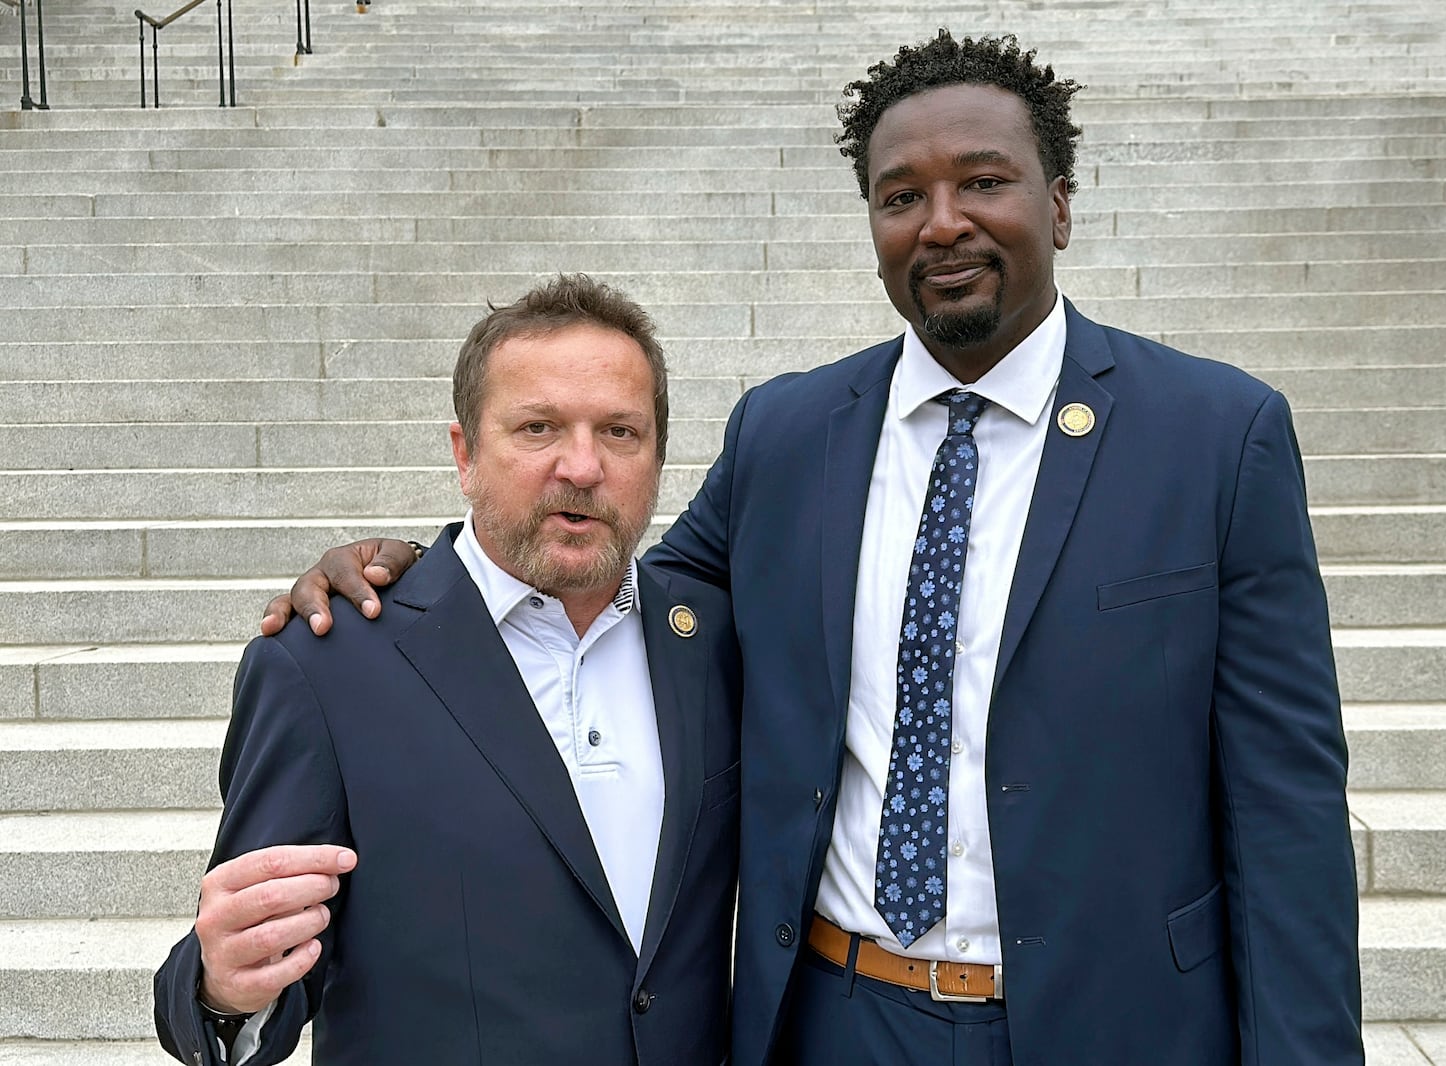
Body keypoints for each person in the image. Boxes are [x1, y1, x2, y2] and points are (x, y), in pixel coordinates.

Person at [265, 31, 1363, 1066]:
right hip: (838, 1015)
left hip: (1108, 1018)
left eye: (982, 181)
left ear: (1059, 204)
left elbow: (1286, 812)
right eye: (901, 197)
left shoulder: (1216, 437)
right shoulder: (787, 433)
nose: (941, 223)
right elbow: (626, 579)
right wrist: (421, 572)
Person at [156, 275, 742, 1066]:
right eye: (537, 428)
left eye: (620, 432)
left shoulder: (712, 643)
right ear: (465, 454)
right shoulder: (322, 664)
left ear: (660, 455)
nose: (582, 464)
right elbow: (263, 940)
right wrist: (221, 990)